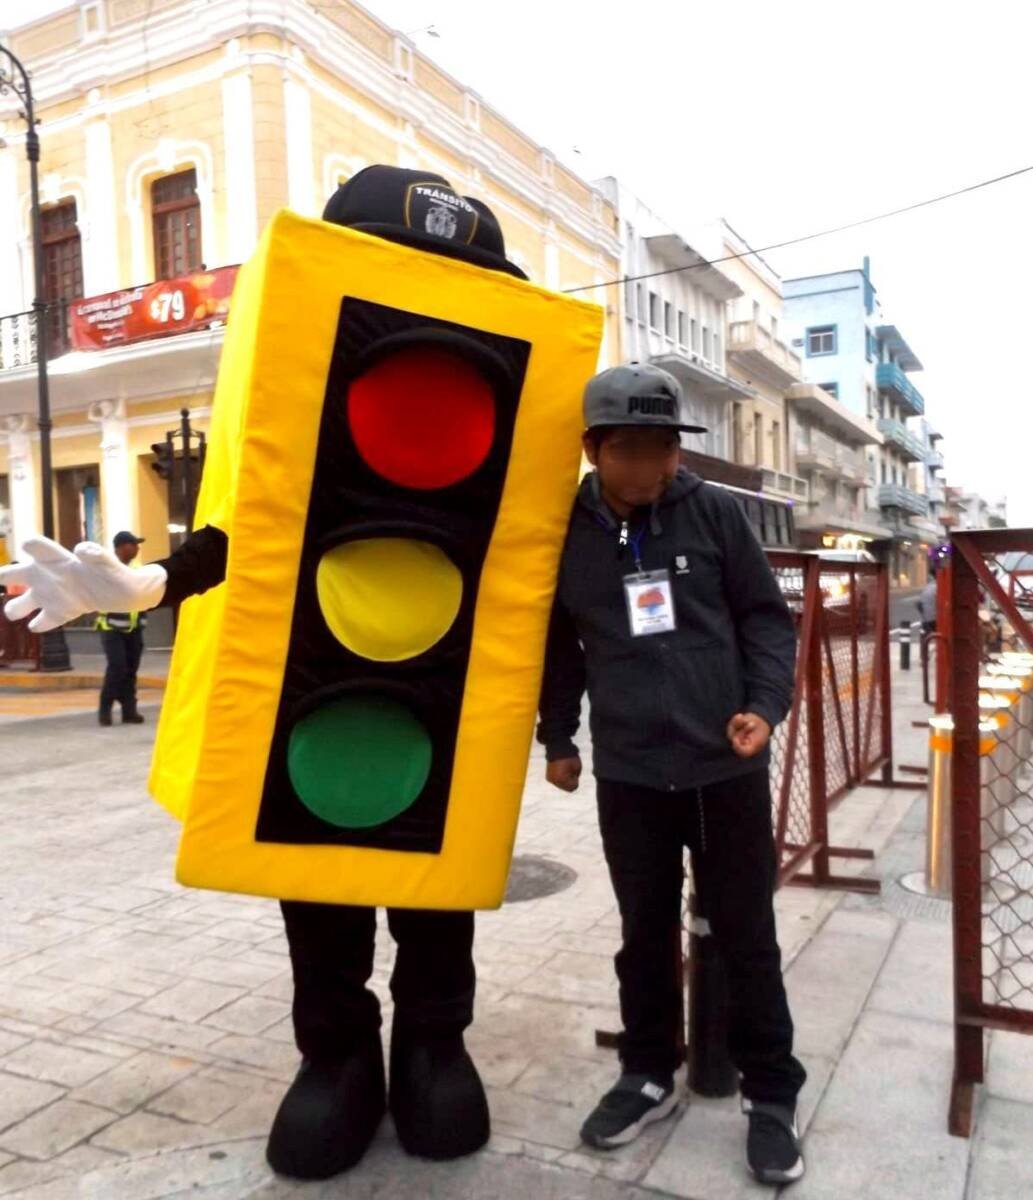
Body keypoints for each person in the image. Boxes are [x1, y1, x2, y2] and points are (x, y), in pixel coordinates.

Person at [537, 362, 807, 1187]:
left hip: (723, 767)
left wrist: (763, 705)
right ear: (594, 450)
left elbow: (765, 620)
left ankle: (770, 1094)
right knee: (642, 933)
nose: (657, 464)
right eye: (635, 449)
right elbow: (557, 645)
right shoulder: (565, 531)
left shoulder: (714, 513)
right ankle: (647, 1073)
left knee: (747, 935)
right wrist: (559, 737)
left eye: (666, 447)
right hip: (629, 773)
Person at [97, 530, 148, 727]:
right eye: (133, 544)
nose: (137, 548)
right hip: (112, 627)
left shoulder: (137, 569)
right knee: (117, 667)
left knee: (131, 670)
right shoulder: (108, 569)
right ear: (120, 548)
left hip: (134, 628)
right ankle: (105, 709)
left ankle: (129, 711)